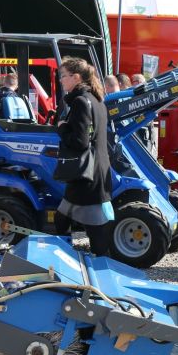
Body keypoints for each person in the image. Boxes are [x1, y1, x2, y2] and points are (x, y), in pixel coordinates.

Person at [54, 57, 114, 254]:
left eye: (63, 76)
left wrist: (62, 128)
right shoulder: (97, 100)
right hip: (95, 171)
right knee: (65, 218)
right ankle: (78, 260)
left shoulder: (80, 102)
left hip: (86, 174)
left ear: (76, 77)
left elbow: (80, 142)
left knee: (92, 226)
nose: (61, 80)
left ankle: (97, 266)